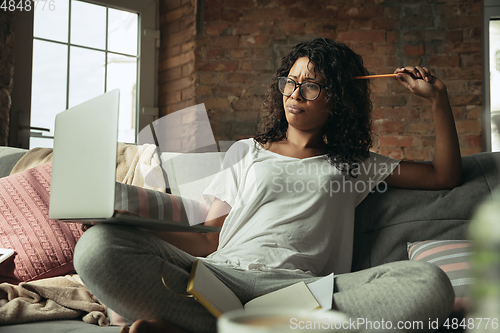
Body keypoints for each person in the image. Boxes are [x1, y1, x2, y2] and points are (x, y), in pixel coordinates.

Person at [74, 38, 461, 333]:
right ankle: (249, 326)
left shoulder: (355, 163)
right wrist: (130, 224)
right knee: (96, 248)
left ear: (337, 99)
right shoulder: (247, 152)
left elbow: (444, 176)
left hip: (304, 292)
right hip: (221, 277)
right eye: (290, 82)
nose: (294, 95)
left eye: (311, 87)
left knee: (429, 284)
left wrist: (439, 100)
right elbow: (210, 240)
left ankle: (207, 327)